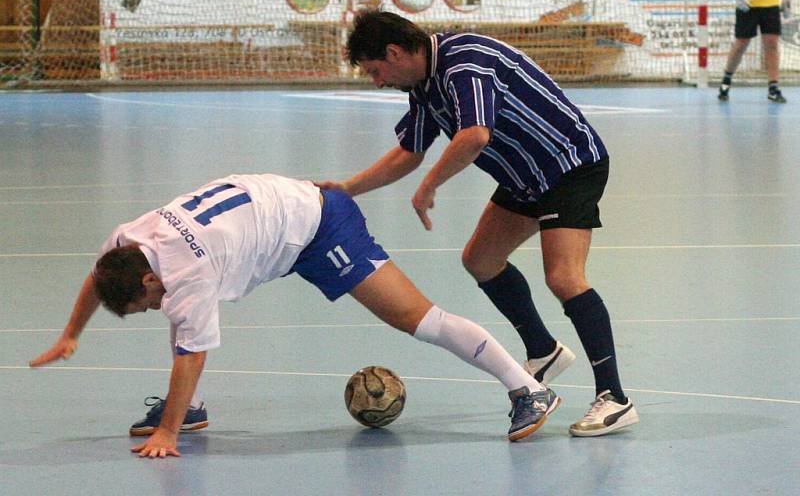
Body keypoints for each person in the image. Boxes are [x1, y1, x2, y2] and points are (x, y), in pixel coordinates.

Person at [29, 173, 560, 457]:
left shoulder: (185, 272)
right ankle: (187, 410)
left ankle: (526, 388)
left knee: (414, 317)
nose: (152, 309)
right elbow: (98, 280)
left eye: (146, 302)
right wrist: (70, 334)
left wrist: (165, 436)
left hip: (318, 227)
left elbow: (193, 352)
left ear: (147, 278)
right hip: (273, 209)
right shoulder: (128, 241)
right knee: (184, 313)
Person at [317, 10, 639, 437]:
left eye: (376, 71)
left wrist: (430, 186)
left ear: (394, 53)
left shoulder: (463, 62)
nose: (378, 81)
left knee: (564, 277)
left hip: (568, 165)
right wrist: (345, 189)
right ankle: (543, 351)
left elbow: (475, 135)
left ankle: (614, 397)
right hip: (524, 175)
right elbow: (409, 151)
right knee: (481, 260)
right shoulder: (423, 84)